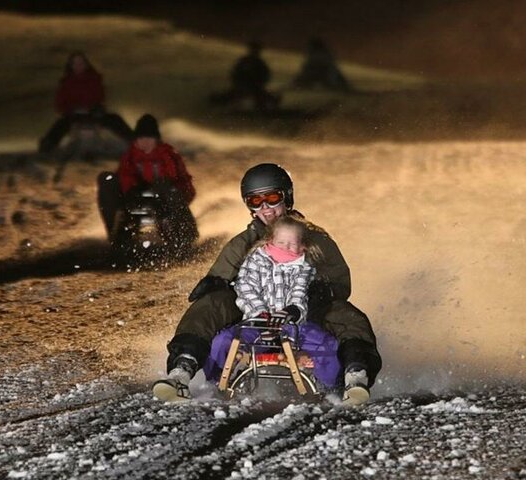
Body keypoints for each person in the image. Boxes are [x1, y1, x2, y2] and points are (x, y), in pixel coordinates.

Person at [152, 163, 381, 405]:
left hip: (302, 307)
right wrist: (215, 283)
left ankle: (356, 374)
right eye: (256, 201)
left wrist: (323, 289)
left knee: (347, 315)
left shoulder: (314, 238)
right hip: (255, 310)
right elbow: (224, 273)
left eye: (272, 198)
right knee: (211, 305)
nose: (266, 208)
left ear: (287, 197)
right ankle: (182, 369)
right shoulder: (244, 242)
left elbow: (340, 282)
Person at [96, 114, 196, 246]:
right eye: (141, 139)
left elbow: (172, 176)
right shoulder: (131, 155)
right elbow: (126, 174)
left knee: (164, 189)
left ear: (156, 140)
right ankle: (118, 234)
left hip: (169, 193)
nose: (145, 142)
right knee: (107, 179)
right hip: (139, 193)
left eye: (149, 139)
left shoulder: (166, 153)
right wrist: (131, 189)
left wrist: (155, 187)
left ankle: (183, 235)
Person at [38, 51, 133, 154]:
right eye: (75, 64)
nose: (79, 66)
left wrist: (96, 108)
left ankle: (135, 141)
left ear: (86, 64)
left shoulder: (94, 78)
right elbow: (59, 104)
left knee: (114, 119)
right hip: (74, 115)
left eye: (81, 63)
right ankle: (48, 146)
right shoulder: (66, 82)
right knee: (61, 124)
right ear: (71, 66)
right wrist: (70, 110)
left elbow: (100, 97)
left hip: (93, 113)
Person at [208, 40, 280, 112]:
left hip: (255, 87)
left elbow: (265, 76)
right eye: (254, 49)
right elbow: (235, 74)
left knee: (260, 97)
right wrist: (239, 83)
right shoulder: (244, 61)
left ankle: (263, 107)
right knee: (234, 96)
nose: (255, 52)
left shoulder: (260, 63)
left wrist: (259, 84)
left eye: (256, 50)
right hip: (243, 86)